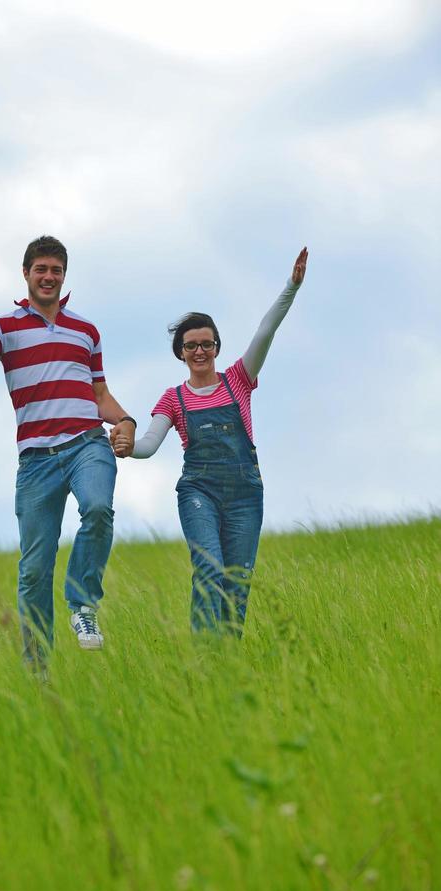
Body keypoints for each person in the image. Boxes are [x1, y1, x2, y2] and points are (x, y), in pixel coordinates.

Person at [0, 235, 136, 664]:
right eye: (41, 269)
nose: (48, 277)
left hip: (87, 444)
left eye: (56, 270)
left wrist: (125, 421)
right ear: (26, 274)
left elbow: (100, 393)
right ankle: (38, 670)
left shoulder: (86, 330)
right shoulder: (3, 327)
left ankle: (83, 605)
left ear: (64, 276)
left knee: (97, 509)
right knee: (34, 569)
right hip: (36, 461)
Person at [113, 248, 308, 637]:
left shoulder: (239, 379)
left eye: (206, 343)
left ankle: (227, 664)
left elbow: (265, 331)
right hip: (198, 490)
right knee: (209, 568)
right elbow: (149, 443)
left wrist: (292, 286)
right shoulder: (173, 398)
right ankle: (205, 653)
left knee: (237, 583)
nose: (199, 351)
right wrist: (125, 444)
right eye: (191, 345)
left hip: (244, 494)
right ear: (180, 353)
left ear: (217, 347)